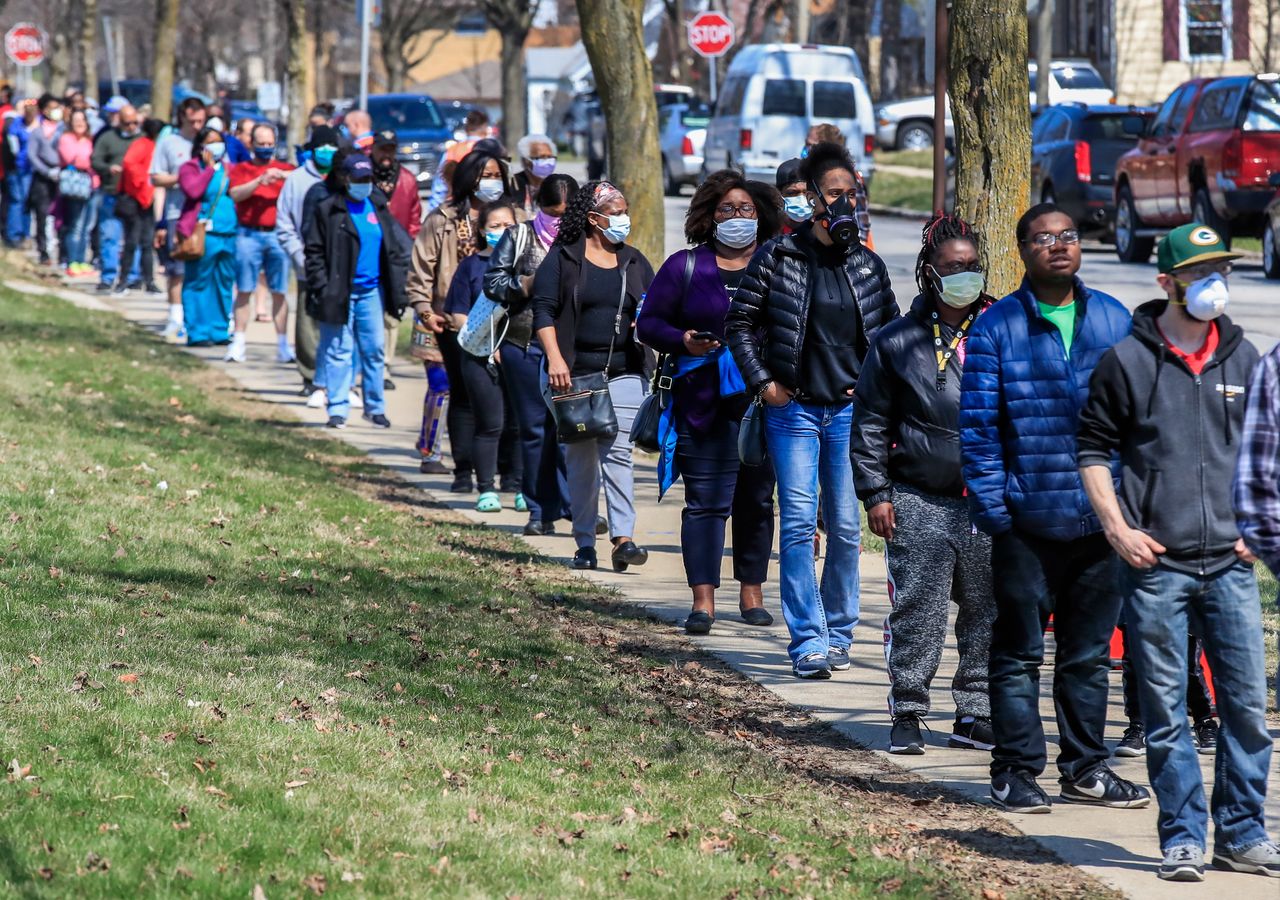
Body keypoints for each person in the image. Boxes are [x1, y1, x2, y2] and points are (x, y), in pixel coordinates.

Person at [1077, 224, 1276, 881]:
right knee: (1165, 714)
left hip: (1230, 565)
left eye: (1220, 268)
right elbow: (1092, 451)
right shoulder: (1127, 362)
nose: (1213, 282)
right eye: (1198, 272)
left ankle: (1242, 835)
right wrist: (1117, 528)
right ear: (1166, 283)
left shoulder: (1248, 361)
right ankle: (1183, 837)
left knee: (1246, 709)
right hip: (1155, 567)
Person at [959, 202, 1145, 815]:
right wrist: (997, 511)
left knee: (1088, 655)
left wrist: (1127, 510)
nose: (1058, 246)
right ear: (1023, 251)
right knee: (1017, 654)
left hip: (1101, 524)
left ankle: (1086, 767)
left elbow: (1137, 422)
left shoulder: (1114, 320)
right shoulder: (997, 328)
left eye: (1067, 236)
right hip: (1025, 523)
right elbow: (980, 432)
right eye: (1043, 238)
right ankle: (1014, 770)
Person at [725, 142, 897, 680]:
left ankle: (841, 630)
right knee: (799, 524)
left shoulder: (867, 264)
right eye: (836, 194)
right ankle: (808, 640)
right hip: (793, 412)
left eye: (854, 193)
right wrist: (764, 383)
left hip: (849, 415)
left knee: (847, 528)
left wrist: (875, 394)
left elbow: (890, 339)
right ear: (813, 196)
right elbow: (739, 325)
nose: (846, 203)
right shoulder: (778, 257)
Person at [851, 214, 997, 753]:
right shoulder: (898, 341)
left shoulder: (1002, 327)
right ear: (929, 273)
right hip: (917, 495)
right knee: (920, 609)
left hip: (987, 499)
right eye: (953, 267)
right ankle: (908, 709)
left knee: (986, 610)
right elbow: (869, 421)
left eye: (973, 267)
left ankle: (975, 710)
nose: (965, 275)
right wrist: (876, 493)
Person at [637, 170, 781, 633]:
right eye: (726, 209)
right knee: (704, 503)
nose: (737, 217)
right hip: (701, 405)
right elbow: (648, 324)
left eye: (746, 210)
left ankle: (752, 593)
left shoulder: (778, 263)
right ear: (709, 216)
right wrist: (682, 340)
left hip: (762, 402)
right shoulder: (685, 266)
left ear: (760, 216)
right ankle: (702, 601)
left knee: (756, 500)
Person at [531, 181, 654, 572]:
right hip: (572, 372)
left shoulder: (634, 261)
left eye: (624, 210)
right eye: (615, 211)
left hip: (623, 371)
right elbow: (543, 313)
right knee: (582, 457)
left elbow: (653, 310)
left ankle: (624, 538)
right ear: (593, 218)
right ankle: (585, 541)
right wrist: (555, 360)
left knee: (617, 450)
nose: (623, 218)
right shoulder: (564, 259)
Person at [407, 146, 517, 489]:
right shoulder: (443, 218)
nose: (492, 182)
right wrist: (425, 308)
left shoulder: (517, 217)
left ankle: (505, 472)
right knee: (461, 395)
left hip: (507, 324)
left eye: (498, 175)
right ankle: (463, 470)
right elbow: (421, 266)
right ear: (470, 178)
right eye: (486, 175)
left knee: (506, 400)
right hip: (453, 320)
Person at [483, 173, 578, 536]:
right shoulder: (519, 236)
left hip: (570, 349)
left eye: (567, 214)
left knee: (571, 430)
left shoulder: (587, 240)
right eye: (553, 213)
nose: (560, 221)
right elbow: (492, 282)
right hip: (525, 345)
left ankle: (575, 507)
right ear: (539, 208)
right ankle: (539, 511)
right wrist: (526, 283)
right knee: (535, 429)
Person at [304, 153, 411, 430]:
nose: (363, 184)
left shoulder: (377, 205)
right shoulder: (328, 209)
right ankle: (337, 407)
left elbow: (394, 246)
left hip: (371, 292)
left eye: (368, 179)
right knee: (339, 350)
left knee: (374, 349)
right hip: (338, 292)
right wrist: (322, 286)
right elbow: (313, 251)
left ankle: (375, 407)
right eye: (358, 178)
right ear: (344, 178)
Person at [443, 200, 519, 511]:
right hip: (478, 357)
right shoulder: (471, 266)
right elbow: (459, 315)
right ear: (482, 230)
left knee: (519, 425)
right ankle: (486, 487)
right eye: (495, 226)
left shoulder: (527, 267)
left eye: (508, 226)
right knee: (490, 424)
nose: (502, 232)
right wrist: (490, 346)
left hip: (519, 358)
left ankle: (517, 484)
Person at [277, 125, 340, 401]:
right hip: (307, 262)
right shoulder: (297, 180)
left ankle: (335, 378)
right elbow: (285, 223)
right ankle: (310, 374)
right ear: (313, 150)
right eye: (322, 147)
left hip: (338, 266)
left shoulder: (343, 178)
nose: (327, 152)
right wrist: (299, 256)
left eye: (332, 147)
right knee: (307, 321)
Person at [224, 122, 295, 363]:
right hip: (248, 234)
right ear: (251, 144)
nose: (265, 148)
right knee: (244, 289)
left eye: (269, 144)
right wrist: (258, 182)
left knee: (279, 291)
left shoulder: (286, 168)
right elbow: (234, 194)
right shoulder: (241, 169)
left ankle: (284, 344)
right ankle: (239, 342)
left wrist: (283, 175)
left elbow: (303, 182)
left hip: (277, 235)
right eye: (260, 144)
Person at [176, 126, 238, 346]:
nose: (215, 146)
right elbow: (193, 191)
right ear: (201, 146)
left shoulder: (230, 170)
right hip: (202, 234)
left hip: (228, 232)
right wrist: (209, 169)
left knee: (223, 281)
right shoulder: (190, 168)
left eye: (219, 141)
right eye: (210, 141)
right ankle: (197, 331)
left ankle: (219, 329)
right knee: (198, 281)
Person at [152, 97, 208, 342]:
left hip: (205, 216)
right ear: (183, 117)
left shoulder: (209, 142)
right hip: (177, 213)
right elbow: (156, 178)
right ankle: (175, 317)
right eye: (193, 120)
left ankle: (199, 318)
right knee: (178, 269)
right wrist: (184, 178)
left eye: (201, 121)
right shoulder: (168, 142)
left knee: (203, 269)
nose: (197, 125)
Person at [371, 129, 423, 388]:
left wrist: (408, 247)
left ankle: (385, 365)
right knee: (370, 311)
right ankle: (367, 362)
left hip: (396, 256)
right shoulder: (362, 177)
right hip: (369, 253)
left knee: (393, 312)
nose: (386, 155)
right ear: (373, 149)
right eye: (382, 149)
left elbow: (415, 218)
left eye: (391, 149)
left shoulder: (407, 180)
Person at [89, 101, 141, 291]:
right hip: (112, 193)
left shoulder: (142, 140)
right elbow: (95, 160)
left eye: (135, 122)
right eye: (127, 123)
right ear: (120, 121)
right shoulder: (108, 138)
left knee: (133, 239)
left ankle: (132, 276)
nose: (132, 127)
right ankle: (108, 275)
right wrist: (107, 168)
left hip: (134, 197)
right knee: (110, 235)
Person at [114, 117, 163, 296]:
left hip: (146, 200)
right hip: (136, 200)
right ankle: (123, 280)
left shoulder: (153, 146)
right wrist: (143, 186)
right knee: (131, 242)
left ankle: (148, 280)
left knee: (147, 243)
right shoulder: (143, 145)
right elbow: (130, 164)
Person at [56, 108, 99, 277]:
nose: (79, 123)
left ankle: (82, 261)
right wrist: (90, 161)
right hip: (75, 188)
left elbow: (92, 159)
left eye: (82, 120)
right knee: (76, 225)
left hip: (92, 186)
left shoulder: (90, 139)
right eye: (76, 120)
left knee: (87, 226)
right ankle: (72, 260)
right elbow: (73, 160)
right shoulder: (66, 139)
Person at [25, 94, 63, 267]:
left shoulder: (63, 129)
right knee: (42, 214)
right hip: (42, 178)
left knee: (61, 215)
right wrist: (47, 171)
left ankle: (63, 252)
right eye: (52, 107)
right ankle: (43, 251)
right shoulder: (37, 132)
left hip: (62, 176)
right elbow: (32, 155)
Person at [428, 108, 490, 210]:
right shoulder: (491, 150)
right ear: (485, 128)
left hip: (455, 207)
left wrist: (434, 211)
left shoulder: (452, 150)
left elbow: (439, 187)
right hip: (484, 208)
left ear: (466, 128)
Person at [2, 100, 35, 247]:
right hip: (17, 169)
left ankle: (24, 234)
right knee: (17, 201)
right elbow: (13, 150)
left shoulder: (35, 123)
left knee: (26, 202)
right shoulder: (14, 124)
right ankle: (14, 235)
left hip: (31, 169)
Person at [512, 133, 557, 216]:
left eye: (550, 157)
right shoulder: (513, 184)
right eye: (541, 157)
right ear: (525, 160)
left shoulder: (555, 185)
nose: (547, 161)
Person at [775, 158, 811, 231]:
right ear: (779, 195)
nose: (801, 199)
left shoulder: (823, 233)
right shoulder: (769, 233)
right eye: (792, 193)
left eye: (806, 193)